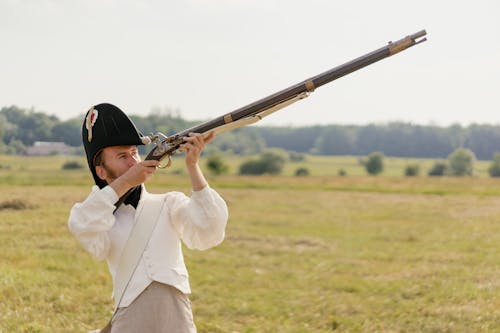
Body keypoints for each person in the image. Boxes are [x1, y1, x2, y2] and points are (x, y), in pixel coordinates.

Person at [68, 103, 229, 332]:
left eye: (134, 152)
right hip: (129, 317)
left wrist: (193, 166)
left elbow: (209, 232)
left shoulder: (169, 203)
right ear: (101, 171)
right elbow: (82, 225)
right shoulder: (98, 214)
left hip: (176, 316)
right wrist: (126, 182)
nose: (134, 161)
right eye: (122, 156)